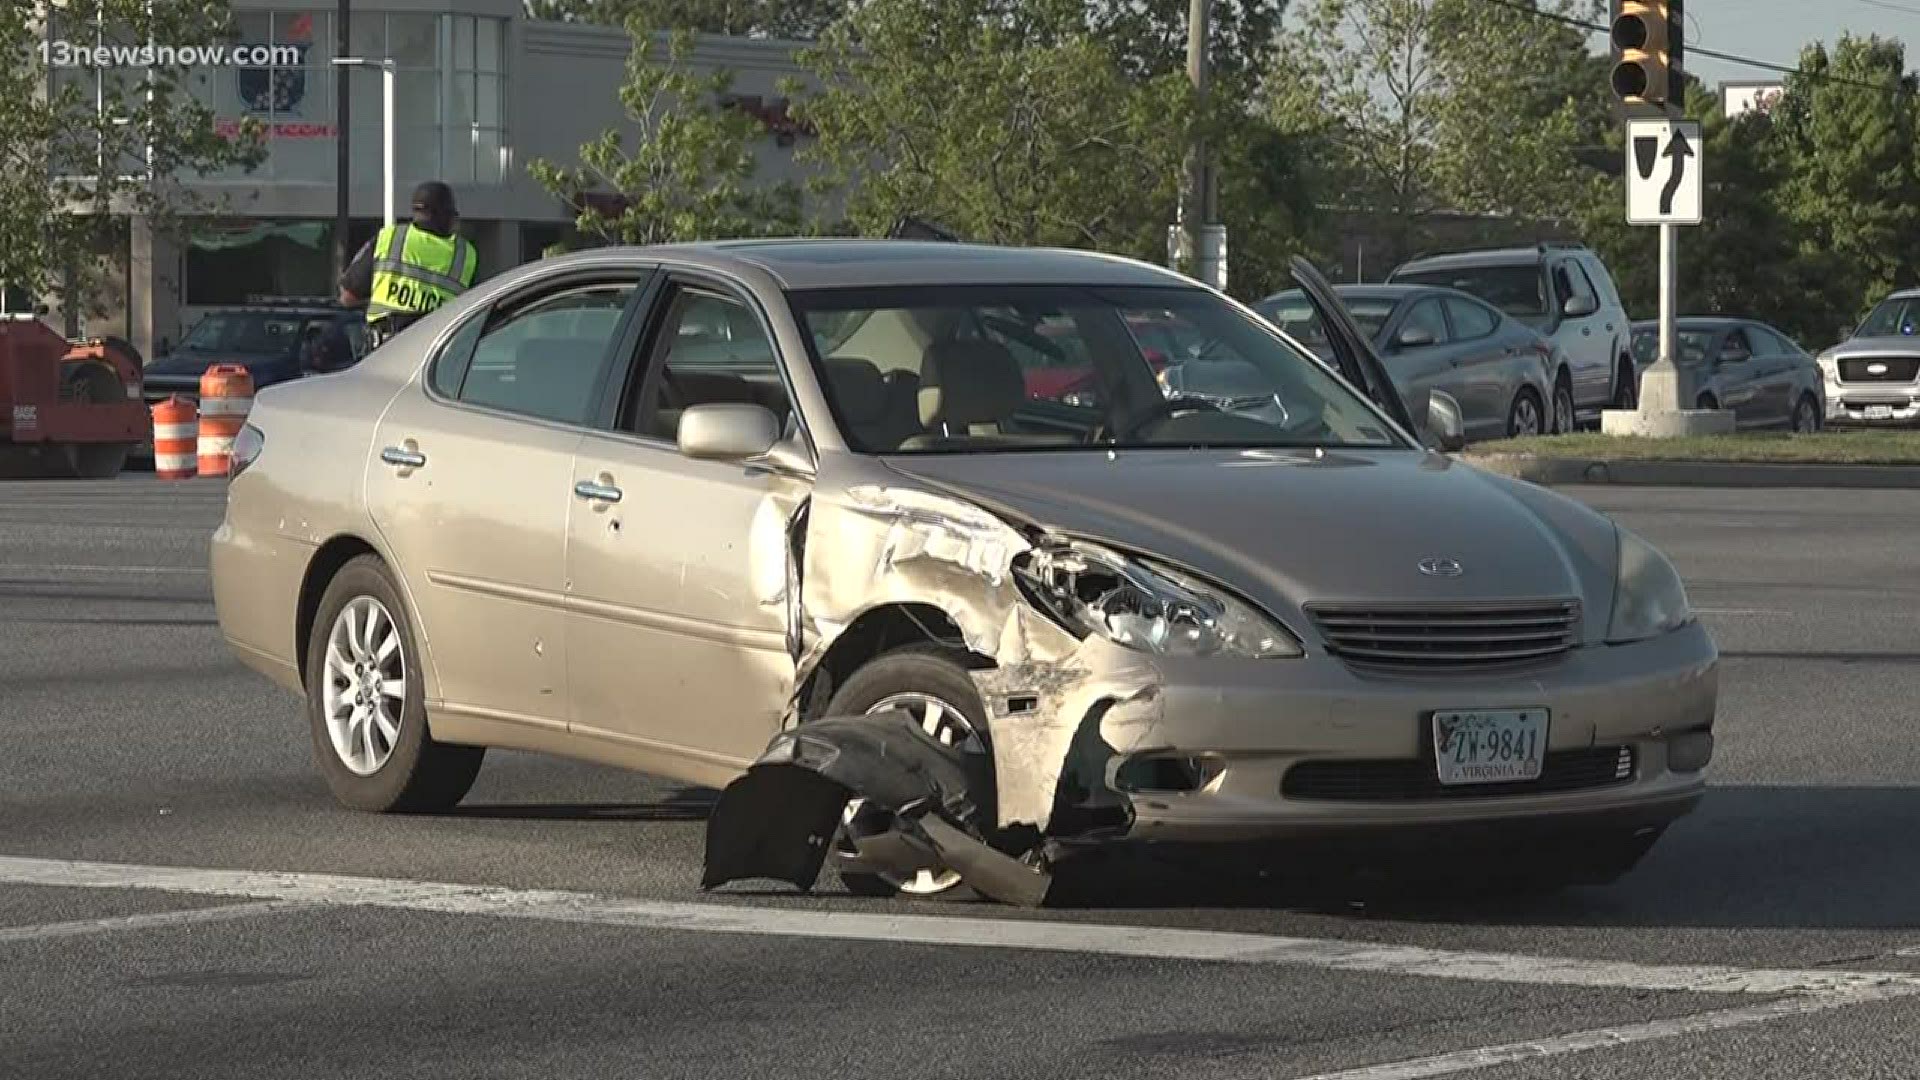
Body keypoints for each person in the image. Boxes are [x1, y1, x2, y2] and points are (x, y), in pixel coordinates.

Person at [338, 180, 479, 348]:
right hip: (437, 351)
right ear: (448, 216)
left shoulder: (390, 238)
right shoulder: (465, 254)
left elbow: (348, 297)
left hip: (386, 349)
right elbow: (475, 308)